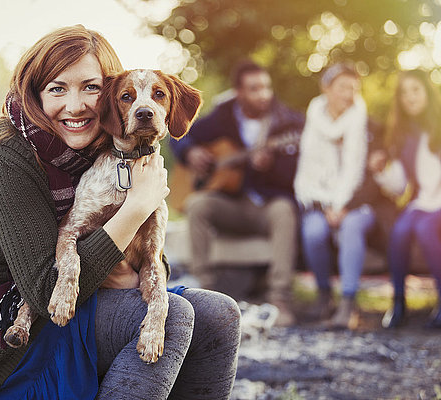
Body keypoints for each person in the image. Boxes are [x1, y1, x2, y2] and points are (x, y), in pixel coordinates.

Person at [0, 25, 241, 400]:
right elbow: (44, 290)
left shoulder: (100, 155)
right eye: (57, 89)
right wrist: (136, 208)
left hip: (58, 304)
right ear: (34, 96)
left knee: (219, 314)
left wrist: (138, 253)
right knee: (178, 318)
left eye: (90, 87)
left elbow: (142, 258)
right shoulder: (5, 163)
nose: (76, 105)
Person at [170, 60, 304, 327]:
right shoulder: (223, 117)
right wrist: (190, 152)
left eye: (266, 87)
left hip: (266, 204)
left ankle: (280, 301)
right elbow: (180, 134)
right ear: (239, 92)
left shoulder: (287, 122)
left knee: (284, 211)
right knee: (197, 204)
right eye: (254, 89)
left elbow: (295, 175)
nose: (263, 94)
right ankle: (202, 292)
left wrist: (269, 167)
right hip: (230, 203)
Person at [294, 63, 374, 330]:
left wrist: (342, 205)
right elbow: (307, 173)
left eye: (354, 88)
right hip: (319, 200)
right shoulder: (314, 116)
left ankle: (347, 305)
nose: (349, 94)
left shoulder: (364, 120)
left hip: (358, 203)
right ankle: (324, 296)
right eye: (342, 87)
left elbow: (359, 173)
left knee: (351, 227)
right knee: (313, 232)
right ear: (326, 88)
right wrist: (325, 205)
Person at [371, 69, 441, 329]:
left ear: (427, 93)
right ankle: (399, 301)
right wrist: (381, 172)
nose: (410, 98)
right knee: (399, 232)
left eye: (415, 90)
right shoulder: (402, 134)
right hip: (422, 201)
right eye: (404, 93)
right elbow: (399, 185)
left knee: (424, 229)